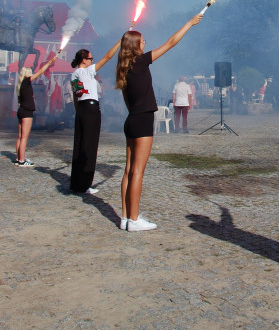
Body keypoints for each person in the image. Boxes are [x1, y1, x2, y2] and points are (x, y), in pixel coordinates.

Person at [116, 15, 202, 232]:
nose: (145, 43)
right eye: (142, 41)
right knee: (137, 171)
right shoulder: (141, 61)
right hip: (143, 120)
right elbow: (171, 43)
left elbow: (127, 101)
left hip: (131, 120)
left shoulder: (123, 68)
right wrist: (189, 24)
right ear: (135, 46)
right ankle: (134, 220)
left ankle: (125, 217)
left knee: (128, 170)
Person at [70, 40, 121, 194]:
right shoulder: (86, 71)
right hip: (91, 108)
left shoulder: (73, 75)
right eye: (91, 59)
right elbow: (107, 57)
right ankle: (85, 184)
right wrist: (119, 42)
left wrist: (79, 111)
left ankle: (77, 183)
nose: (93, 61)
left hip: (81, 109)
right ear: (84, 60)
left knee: (80, 145)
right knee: (90, 146)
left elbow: (75, 97)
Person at [16, 55, 58, 166]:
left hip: (21, 110)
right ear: (26, 73)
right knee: (25, 136)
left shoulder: (21, 85)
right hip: (26, 112)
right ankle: (22, 160)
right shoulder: (26, 81)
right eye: (30, 72)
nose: (31, 73)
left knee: (20, 136)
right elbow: (40, 72)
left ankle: (18, 158)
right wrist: (49, 62)